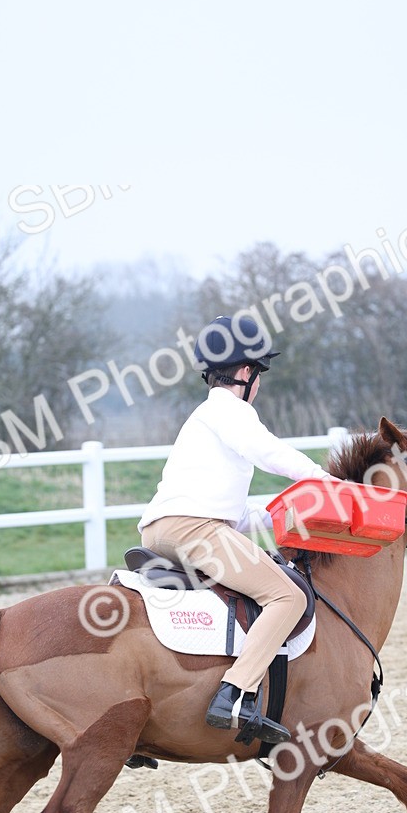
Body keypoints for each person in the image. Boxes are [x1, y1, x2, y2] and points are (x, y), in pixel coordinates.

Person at [138, 314, 333, 745]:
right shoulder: (230, 410)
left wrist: (280, 514)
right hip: (195, 532)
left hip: (160, 530)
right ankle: (235, 695)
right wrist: (324, 481)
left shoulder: (204, 417)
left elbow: (233, 511)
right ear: (246, 373)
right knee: (288, 595)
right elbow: (270, 452)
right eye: (259, 373)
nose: (258, 382)